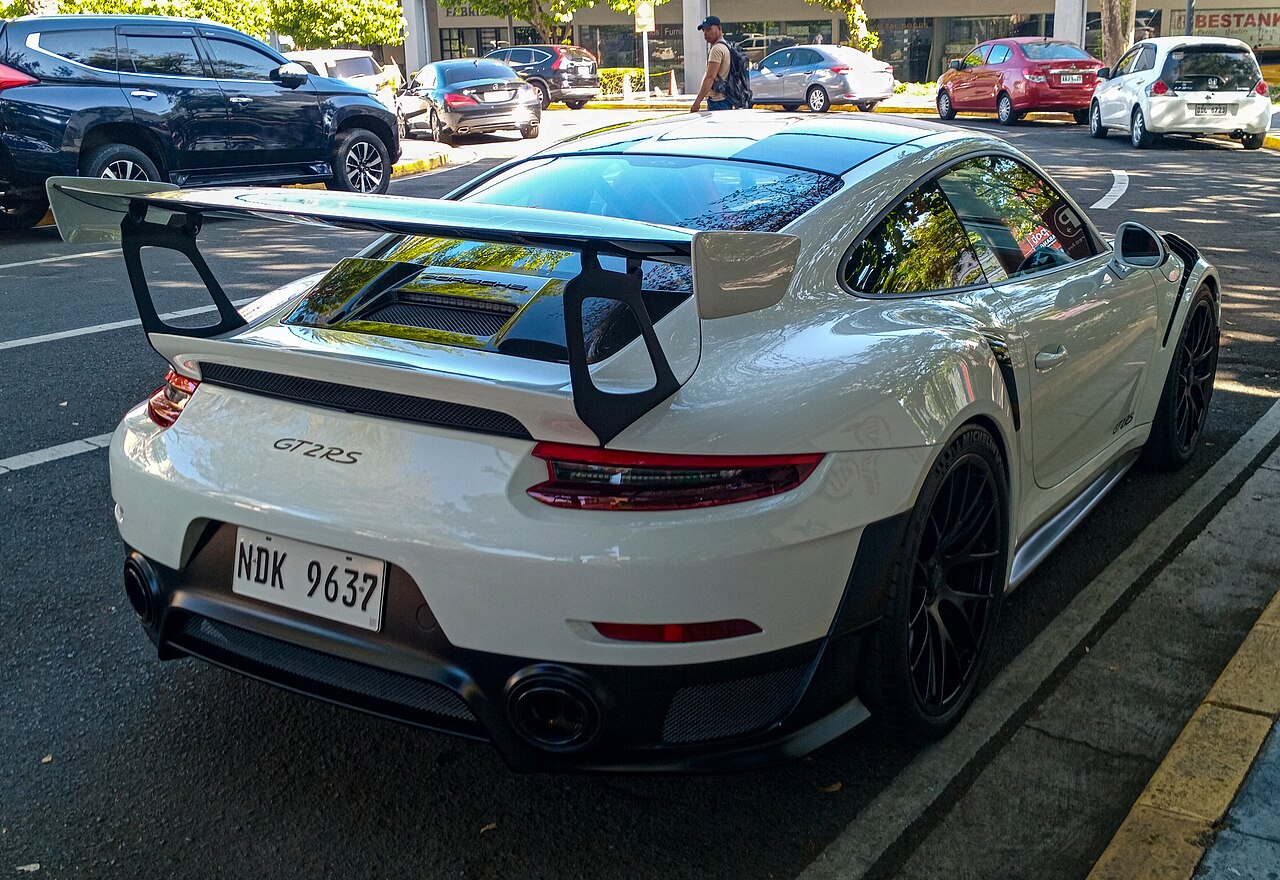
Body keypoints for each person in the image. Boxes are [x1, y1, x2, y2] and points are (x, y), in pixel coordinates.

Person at [690, 15, 732, 112]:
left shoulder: (717, 49)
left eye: (709, 29)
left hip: (717, 101)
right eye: (703, 30)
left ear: (719, 28)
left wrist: (697, 102)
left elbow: (710, 77)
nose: (705, 33)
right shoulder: (726, 45)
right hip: (725, 99)